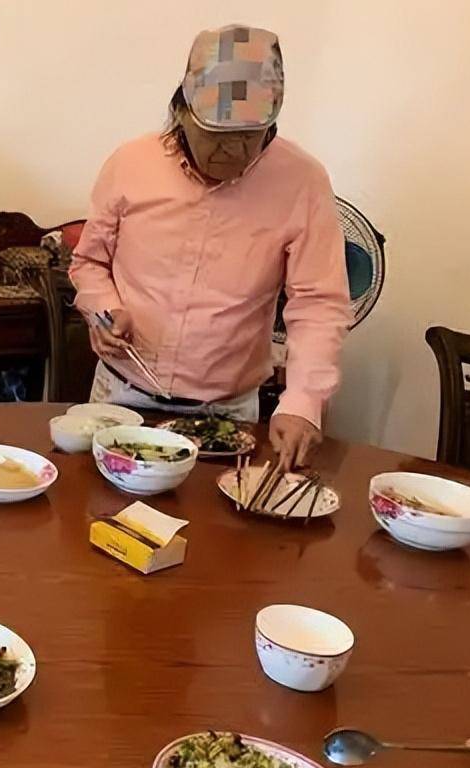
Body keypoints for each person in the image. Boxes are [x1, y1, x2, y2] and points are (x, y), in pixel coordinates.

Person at [70, 25, 351, 469]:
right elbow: (89, 261)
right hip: (122, 396)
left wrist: (303, 400)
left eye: (249, 136)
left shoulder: (303, 181)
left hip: (228, 412)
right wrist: (104, 310)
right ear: (181, 112)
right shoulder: (131, 163)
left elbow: (319, 302)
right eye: (215, 134)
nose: (232, 151)